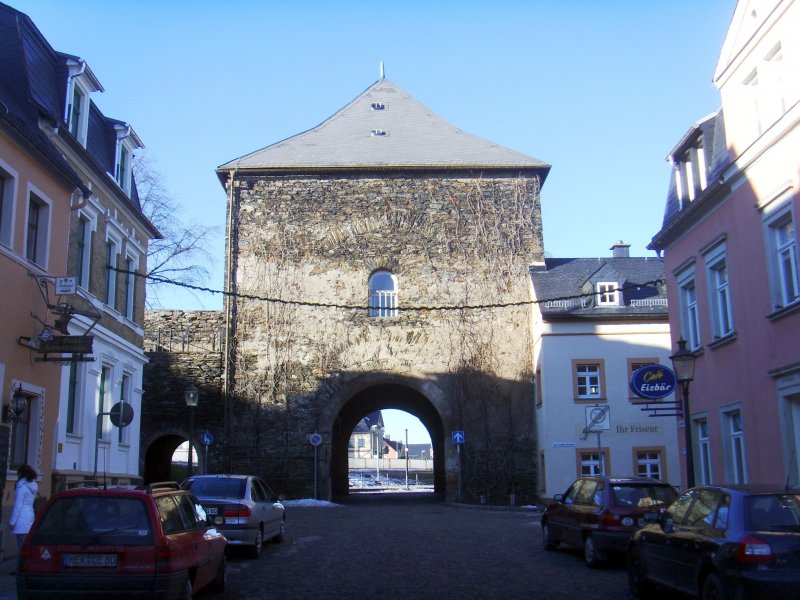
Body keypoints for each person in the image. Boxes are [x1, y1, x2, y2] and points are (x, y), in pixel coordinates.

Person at [9, 464, 38, 571]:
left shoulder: (22, 486)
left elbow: (18, 505)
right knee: (26, 545)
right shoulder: (33, 485)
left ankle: (21, 569)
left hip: (21, 519)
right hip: (30, 516)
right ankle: (24, 567)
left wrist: (12, 521)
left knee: (21, 546)